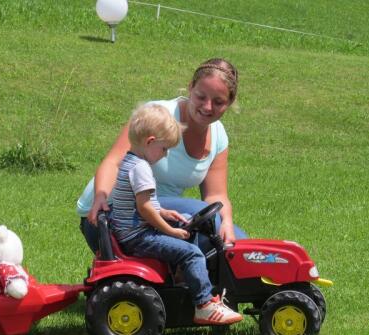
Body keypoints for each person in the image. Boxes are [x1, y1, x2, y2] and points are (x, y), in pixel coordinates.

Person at [77, 58, 247, 253]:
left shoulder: (218, 136)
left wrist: (227, 223)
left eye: (218, 102)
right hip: (112, 213)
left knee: (239, 242)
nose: (208, 107)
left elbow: (216, 195)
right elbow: (114, 162)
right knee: (199, 214)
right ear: (190, 87)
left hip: (158, 213)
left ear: (230, 102)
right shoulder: (156, 116)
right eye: (201, 96)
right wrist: (101, 196)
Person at [110, 103, 242, 325]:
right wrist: (169, 229)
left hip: (129, 230)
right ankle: (204, 305)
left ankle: (182, 280)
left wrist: (165, 211)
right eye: (164, 149)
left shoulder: (130, 162)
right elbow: (144, 209)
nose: (165, 155)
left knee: (187, 231)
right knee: (192, 253)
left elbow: (144, 203)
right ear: (150, 142)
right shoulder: (141, 169)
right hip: (137, 236)